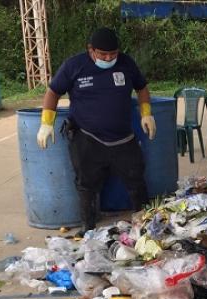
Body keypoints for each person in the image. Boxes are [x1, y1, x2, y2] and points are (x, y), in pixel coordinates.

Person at [36, 27, 155, 235]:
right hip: (87, 138)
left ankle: (145, 225)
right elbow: (53, 91)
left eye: (113, 54)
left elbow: (142, 87)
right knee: (86, 186)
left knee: (136, 181)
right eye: (103, 54)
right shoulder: (74, 66)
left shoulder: (126, 63)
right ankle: (88, 229)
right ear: (91, 50)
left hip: (123, 139)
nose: (108, 58)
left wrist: (146, 113)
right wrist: (46, 123)